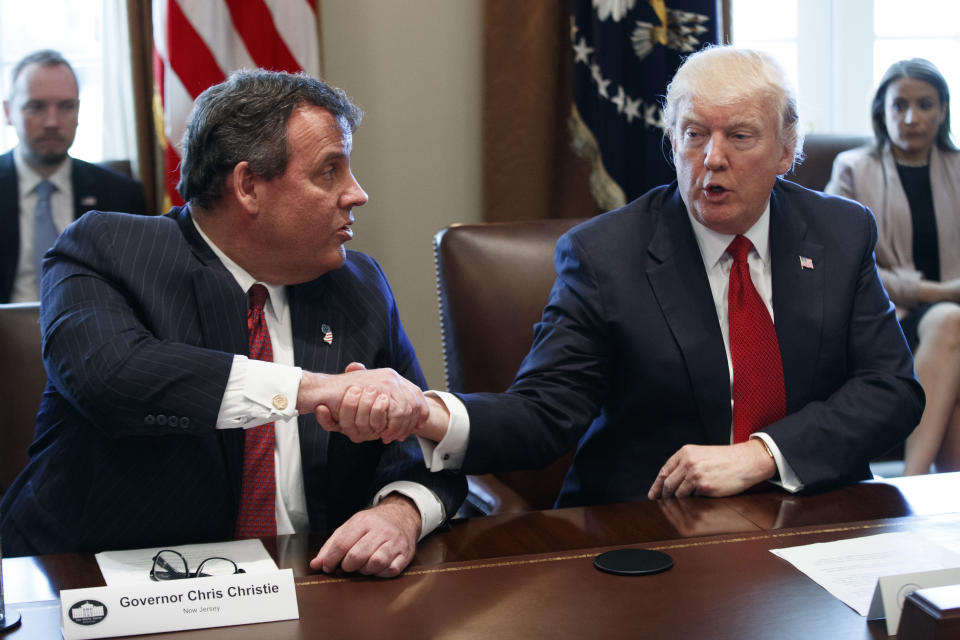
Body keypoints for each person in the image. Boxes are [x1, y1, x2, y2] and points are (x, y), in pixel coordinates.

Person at [331, 45, 924, 506]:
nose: (712, 158)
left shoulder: (841, 232)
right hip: (655, 523)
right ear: (672, 142)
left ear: (787, 149)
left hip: (812, 507)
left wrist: (765, 454)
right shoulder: (604, 255)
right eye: (693, 134)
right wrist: (428, 412)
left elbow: (891, 391)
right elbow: (545, 413)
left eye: (740, 136)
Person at [0, 69, 465, 578]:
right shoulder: (109, 251)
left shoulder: (358, 286)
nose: (357, 194)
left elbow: (426, 448)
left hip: (310, 583)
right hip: (94, 583)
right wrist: (315, 391)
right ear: (247, 186)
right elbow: (111, 376)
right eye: (329, 171)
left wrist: (400, 513)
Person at [825, 59, 960, 475]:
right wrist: (934, 292)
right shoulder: (852, 168)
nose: (911, 117)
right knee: (950, 321)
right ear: (881, 111)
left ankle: (943, 506)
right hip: (888, 318)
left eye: (924, 105)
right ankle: (914, 480)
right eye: (899, 105)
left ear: (942, 111)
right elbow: (835, 262)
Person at [1, 49, 148, 303]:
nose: (52, 122)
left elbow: (142, 292)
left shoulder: (121, 194)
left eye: (66, 106)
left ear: (79, 111)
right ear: (8, 112)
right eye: (36, 107)